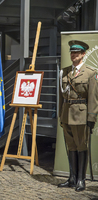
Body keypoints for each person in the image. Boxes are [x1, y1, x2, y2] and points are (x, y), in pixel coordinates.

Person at [58, 40, 98, 192]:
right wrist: (61, 115)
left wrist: (91, 118)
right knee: (71, 146)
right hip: (66, 114)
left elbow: (94, 98)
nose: (73, 55)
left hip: (81, 115)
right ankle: (72, 178)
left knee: (82, 146)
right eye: (72, 52)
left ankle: (81, 180)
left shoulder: (91, 72)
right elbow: (61, 96)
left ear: (83, 54)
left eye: (76, 53)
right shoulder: (65, 71)